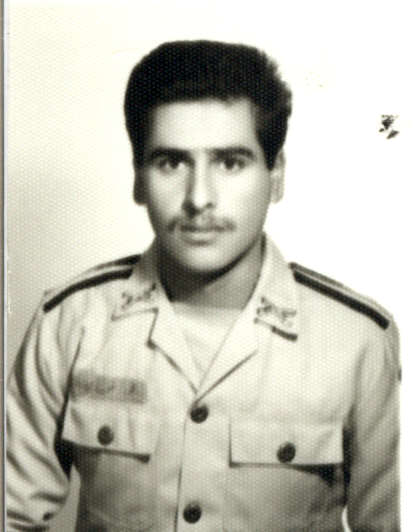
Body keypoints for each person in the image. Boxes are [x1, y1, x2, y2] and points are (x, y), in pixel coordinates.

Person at [7, 40, 400, 531]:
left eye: (230, 162)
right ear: (138, 178)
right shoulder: (70, 324)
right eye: (171, 162)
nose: (199, 198)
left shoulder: (358, 343)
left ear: (276, 175)